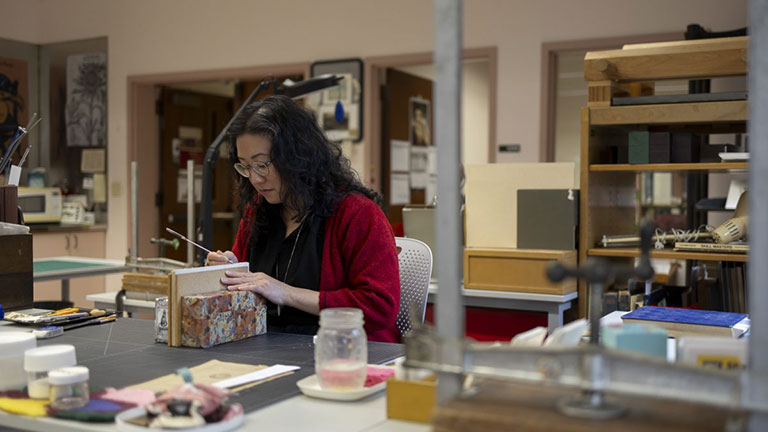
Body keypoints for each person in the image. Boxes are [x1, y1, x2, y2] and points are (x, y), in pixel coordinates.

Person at [206, 95, 401, 343]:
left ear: (297, 157)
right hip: (267, 347)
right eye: (245, 166)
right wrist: (229, 270)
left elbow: (380, 307)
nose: (254, 179)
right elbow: (246, 291)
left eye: (262, 164)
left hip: (340, 352)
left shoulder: (358, 213)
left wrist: (286, 293)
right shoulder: (259, 209)